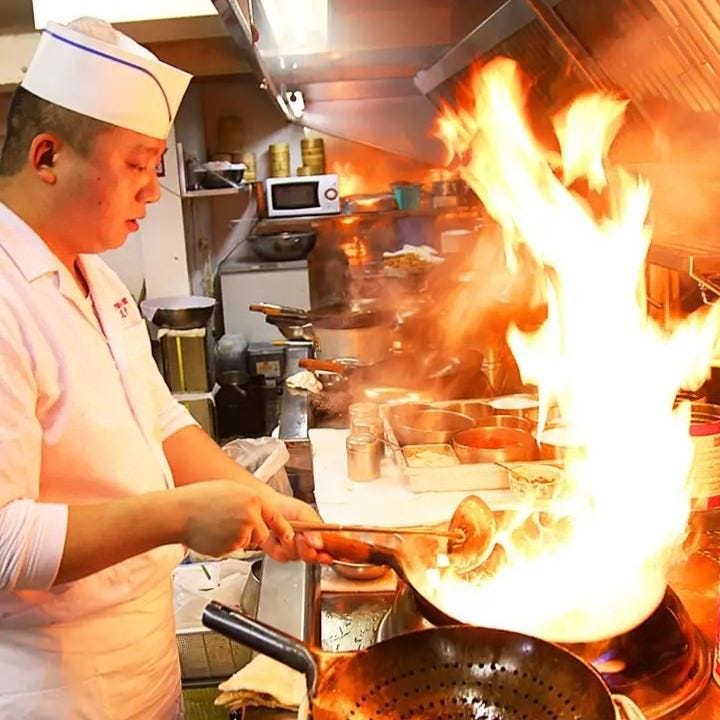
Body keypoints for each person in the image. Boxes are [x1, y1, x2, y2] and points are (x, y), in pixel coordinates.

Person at [0, 16, 325, 719]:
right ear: (48, 155)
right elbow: (3, 543)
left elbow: (162, 419)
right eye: (138, 164)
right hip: (51, 691)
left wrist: (260, 500)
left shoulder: (98, 277)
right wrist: (180, 515)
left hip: (143, 666)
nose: (153, 191)